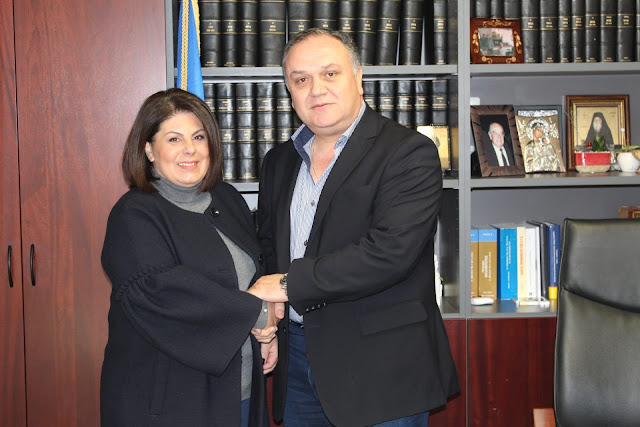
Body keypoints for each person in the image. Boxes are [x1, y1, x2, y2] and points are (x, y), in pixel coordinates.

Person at [251, 28, 460, 426]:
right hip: (297, 363)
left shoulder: (407, 152)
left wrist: (287, 285)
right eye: (301, 79)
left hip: (380, 369)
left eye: (330, 74)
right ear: (290, 92)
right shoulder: (279, 161)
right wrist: (270, 317)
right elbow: (269, 247)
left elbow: (389, 253)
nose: (316, 90)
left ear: (358, 77)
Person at [100, 88, 279, 426]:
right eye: (174, 139)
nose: (190, 149)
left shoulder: (227, 199)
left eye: (198, 136)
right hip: (170, 401)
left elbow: (253, 273)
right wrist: (257, 314)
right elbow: (163, 292)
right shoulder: (133, 214)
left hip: (239, 391)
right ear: (148, 150)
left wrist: (268, 334)